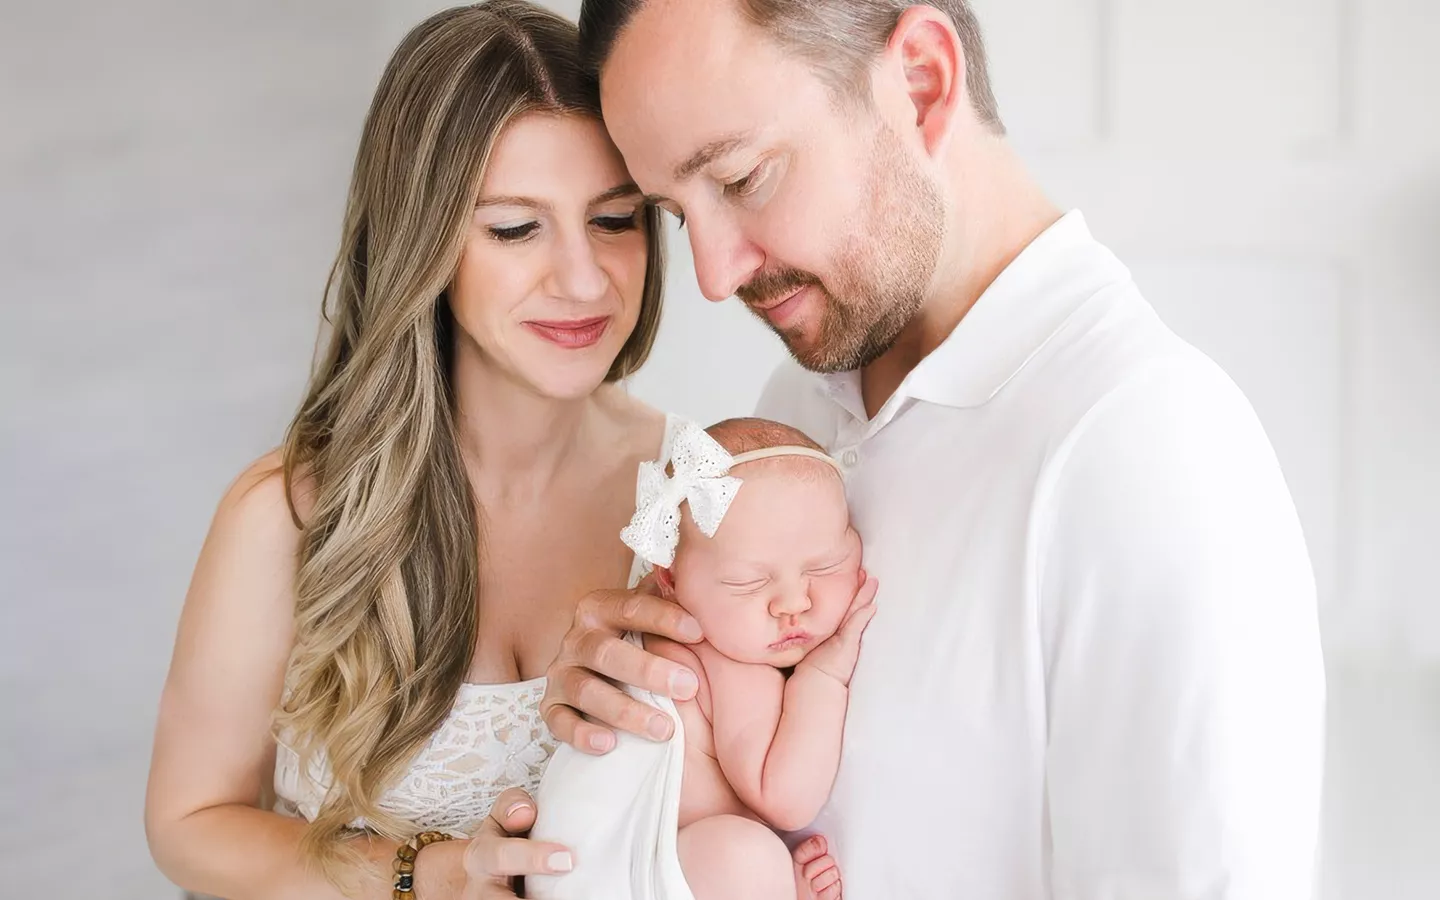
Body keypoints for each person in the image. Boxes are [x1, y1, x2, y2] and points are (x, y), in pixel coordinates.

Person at [530, 1, 1328, 897]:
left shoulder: (1149, 450)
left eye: (744, 178)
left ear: (920, 82)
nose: (714, 278)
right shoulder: (795, 409)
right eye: (679, 215)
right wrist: (626, 768)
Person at [144, 3, 680, 898]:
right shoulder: (288, 515)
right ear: (421, 241)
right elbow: (188, 823)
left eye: (615, 219)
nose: (585, 279)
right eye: (515, 228)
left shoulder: (697, 492)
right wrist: (423, 875)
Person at [528, 417, 875, 900]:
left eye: (825, 565)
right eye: (748, 583)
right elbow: (787, 799)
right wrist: (823, 675)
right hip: (617, 880)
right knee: (748, 859)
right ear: (669, 579)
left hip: (572, 870)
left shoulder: (687, 625)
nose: (794, 602)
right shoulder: (717, 657)